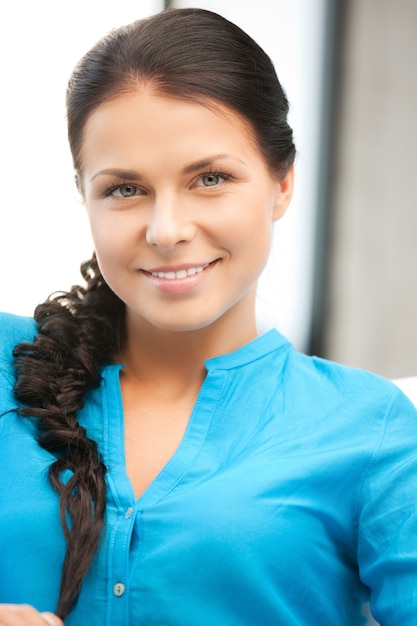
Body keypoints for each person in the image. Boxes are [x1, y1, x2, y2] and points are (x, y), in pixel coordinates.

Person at [0, 7, 416, 626]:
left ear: (282, 183)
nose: (167, 230)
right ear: (84, 195)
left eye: (211, 178)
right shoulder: (8, 364)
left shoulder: (371, 429)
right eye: (124, 189)